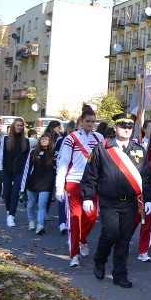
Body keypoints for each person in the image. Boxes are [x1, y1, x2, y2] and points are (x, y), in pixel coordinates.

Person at [80, 113, 151, 288]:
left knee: (124, 238)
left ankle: (120, 274)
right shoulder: (103, 148)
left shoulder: (139, 150)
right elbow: (91, 174)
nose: (127, 129)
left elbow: (147, 177)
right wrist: (87, 196)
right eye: (123, 126)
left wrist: (149, 199)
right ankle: (100, 260)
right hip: (109, 200)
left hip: (130, 202)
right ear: (116, 128)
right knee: (110, 233)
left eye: (130, 127)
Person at [55, 104, 104, 267]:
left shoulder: (98, 138)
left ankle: (83, 239)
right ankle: (74, 253)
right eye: (88, 121)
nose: (90, 125)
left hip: (92, 184)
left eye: (93, 122)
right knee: (75, 219)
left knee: (91, 216)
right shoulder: (71, 138)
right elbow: (63, 162)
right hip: (74, 183)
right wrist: (59, 186)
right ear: (81, 121)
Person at [20, 132, 56, 234]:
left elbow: (57, 169)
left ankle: (40, 225)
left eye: (46, 139)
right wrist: (22, 187)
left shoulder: (53, 154)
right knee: (31, 203)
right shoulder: (33, 152)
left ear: (50, 142)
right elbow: (27, 169)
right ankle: (31, 220)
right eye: (42, 139)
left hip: (46, 184)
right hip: (32, 182)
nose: (44, 140)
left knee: (42, 204)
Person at [0, 118, 30, 227]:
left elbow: (27, 158)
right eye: (17, 125)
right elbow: (1, 154)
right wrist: (1, 169)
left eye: (21, 125)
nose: (19, 127)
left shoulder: (26, 141)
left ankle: (11, 215)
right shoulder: (6, 139)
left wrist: (27, 172)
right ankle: (9, 210)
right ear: (13, 126)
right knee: (7, 193)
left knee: (15, 193)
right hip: (7, 170)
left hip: (19, 171)